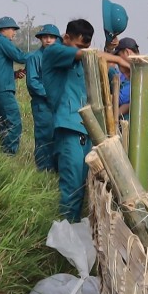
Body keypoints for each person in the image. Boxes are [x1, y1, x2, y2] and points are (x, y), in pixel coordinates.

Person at [41, 18, 128, 222]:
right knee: (71, 188)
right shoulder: (54, 52)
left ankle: (74, 230)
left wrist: (115, 63)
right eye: (78, 45)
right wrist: (119, 59)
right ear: (66, 38)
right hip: (68, 128)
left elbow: (107, 70)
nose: (82, 50)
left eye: (86, 46)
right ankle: (66, 232)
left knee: (83, 187)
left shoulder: (82, 59)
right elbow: (90, 55)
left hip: (89, 130)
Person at [113, 36, 148, 173]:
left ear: (127, 53)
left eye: (120, 60)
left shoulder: (141, 70)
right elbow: (129, 103)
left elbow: (121, 98)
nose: (121, 68)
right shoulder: (139, 69)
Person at [0, 16, 27, 154]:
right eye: (12, 29)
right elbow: (20, 57)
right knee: (14, 123)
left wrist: (14, 74)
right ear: (3, 29)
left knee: (3, 124)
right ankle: (9, 155)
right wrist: (40, 56)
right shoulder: (3, 41)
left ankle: (4, 156)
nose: (14, 32)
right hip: (3, 90)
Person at [25, 24, 60, 171]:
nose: (48, 40)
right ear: (41, 39)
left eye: (52, 37)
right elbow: (32, 82)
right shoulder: (34, 58)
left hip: (58, 104)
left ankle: (56, 168)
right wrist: (49, 93)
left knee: (58, 135)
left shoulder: (59, 58)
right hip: (42, 104)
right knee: (44, 136)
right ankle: (44, 170)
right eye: (45, 37)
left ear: (57, 39)